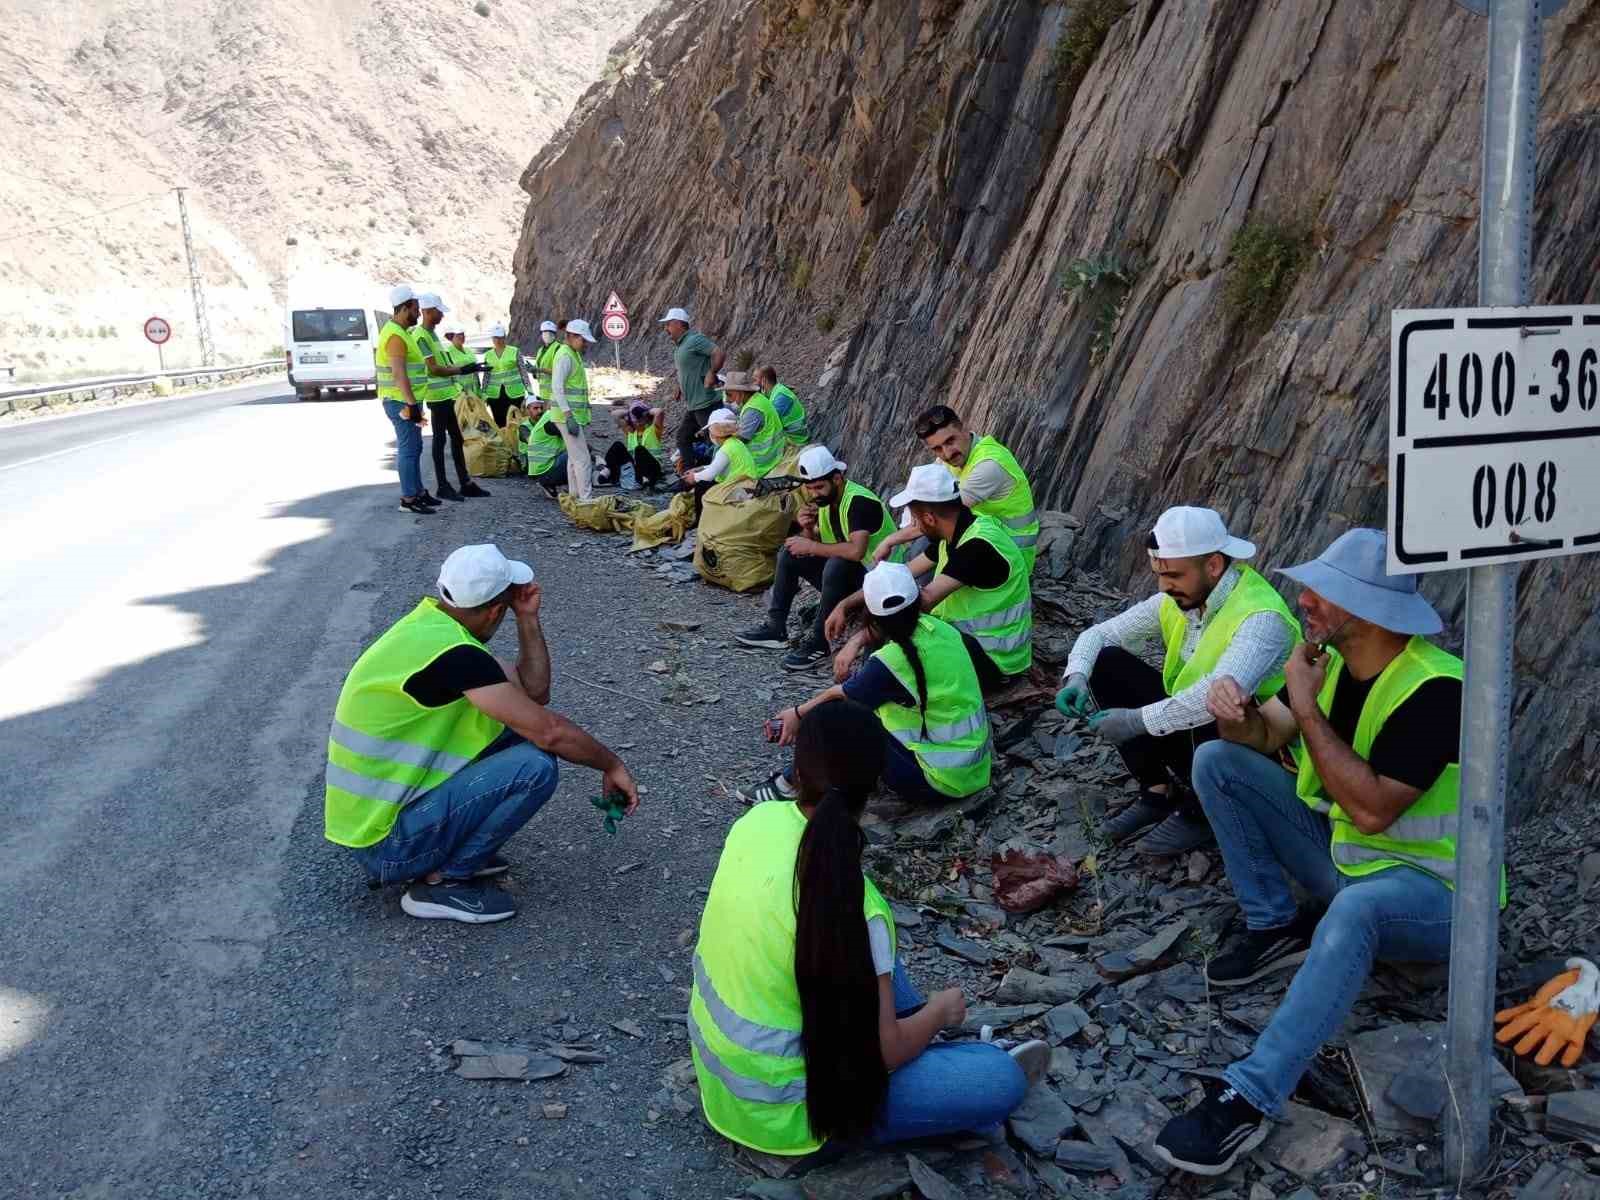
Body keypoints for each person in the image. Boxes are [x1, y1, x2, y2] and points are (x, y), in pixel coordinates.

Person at [1153, 528, 1476, 1176]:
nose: (1303, 600)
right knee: (1217, 760)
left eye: (1320, 593)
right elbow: (1260, 733)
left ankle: (1249, 1095)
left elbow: (1371, 807)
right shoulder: (1328, 665)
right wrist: (1232, 712)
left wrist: (1303, 706)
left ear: (1362, 610)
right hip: (1351, 864)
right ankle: (1273, 925)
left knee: (1357, 914)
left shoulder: (1437, 689)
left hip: (1436, 899)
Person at [693, 696, 1044, 1157]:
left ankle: (925, 1042)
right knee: (998, 1080)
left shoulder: (755, 820)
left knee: (877, 960)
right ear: (874, 786)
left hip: (721, 1078)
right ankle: (945, 1045)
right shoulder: (859, 904)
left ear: (797, 771)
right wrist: (938, 1011)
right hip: (795, 1114)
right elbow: (885, 1052)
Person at [324, 544, 639, 923]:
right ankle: (445, 882)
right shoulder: (455, 656)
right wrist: (611, 763)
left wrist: (527, 618)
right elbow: (551, 732)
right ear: (493, 612)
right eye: (506, 611)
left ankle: (444, 850)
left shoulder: (433, 628)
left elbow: (534, 693)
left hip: (376, 824)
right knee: (535, 765)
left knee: (520, 735)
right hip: (387, 846)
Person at [1056, 506, 1300, 856]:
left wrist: (1134, 721)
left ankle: (1202, 812)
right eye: (1159, 574)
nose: (1163, 586)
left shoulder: (1261, 618)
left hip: (1264, 755)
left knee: (1218, 700)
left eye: (1173, 575)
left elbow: (1212, 697)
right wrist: (1077, 676)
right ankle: (1158, 792)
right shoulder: (1179, 598)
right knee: (1106, 662)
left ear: (1214, 566)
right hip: (1203, 734)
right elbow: (1100, 635)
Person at [752, 561, 993, 806]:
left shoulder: (890, 661)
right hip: (973, 770)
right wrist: (855, 643)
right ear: (918, 597)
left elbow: (839, 695)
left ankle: (789, 783)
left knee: (841, 720)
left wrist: (797, 714)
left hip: (937, 782)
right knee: (865, 706)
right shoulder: (942, 629)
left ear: (870, 613)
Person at [828, 465, 1030, 695]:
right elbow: (900, 576)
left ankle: (863, 692)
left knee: (897, 626)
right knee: (891, 620)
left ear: (929, 518)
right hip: (970, 643)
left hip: (994, 663)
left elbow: (916, 605)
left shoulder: (977, 548)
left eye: (915, 519)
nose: (914, 526)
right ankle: (865, 684)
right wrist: (845, 604)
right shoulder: (957, 532)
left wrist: (857, 640)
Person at [737, 445, 896, 671]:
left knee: (837, 564)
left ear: (837, 478)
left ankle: (820, 643)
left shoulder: (859, 502)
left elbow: (855, 552)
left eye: (819, 487)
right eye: (810, 488)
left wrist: (811, 544)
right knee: (791, 552)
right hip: (853, 579)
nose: (814, 494)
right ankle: (775, 627)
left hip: (880, 583)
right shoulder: (826, 501)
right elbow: (825, 544)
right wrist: (808, 529)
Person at [873, 406, 1040, 574]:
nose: (946, 453)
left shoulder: (989, 465)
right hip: (984, 539)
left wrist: (890, 541)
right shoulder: (947, 460)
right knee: (928, 542)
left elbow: (940, 516)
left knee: (930, 540)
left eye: (950, 441)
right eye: (937, 448)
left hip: (1011, 555)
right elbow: (921, 495)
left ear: (963, 428)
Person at [414, 297, 488, 501]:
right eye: (439, 311)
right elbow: (434, 368)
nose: (442, 315)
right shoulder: (421, 336)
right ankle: (443, 485)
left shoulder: (431, 335)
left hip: (447, 395)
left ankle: (465, 483)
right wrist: (464, 369)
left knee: (456, 438)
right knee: (440, 441)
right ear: (428, 311)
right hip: (437, 397)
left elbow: (442, 364)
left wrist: (468, 370)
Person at [376, 284, 436, 516]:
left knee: (415, 446)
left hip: (407, 400)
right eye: (416, 308)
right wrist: (412, 405)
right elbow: (399, 374)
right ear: (405, 308)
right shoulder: (394, 336)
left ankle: (418, 492)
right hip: (400, 401)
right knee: (408, 449)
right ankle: (409, 498)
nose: (419, 313)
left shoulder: (401, 333)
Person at [659, 306, 725, 470]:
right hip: (695, 405)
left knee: (715, 441)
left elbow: (718, 353)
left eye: (668, 324)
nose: (666, 328)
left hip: (706, 403)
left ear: (679, 324)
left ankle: (716, 475)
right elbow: (688, 369)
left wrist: (712, 372)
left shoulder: (694, 340)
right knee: (683, 437)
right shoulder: (680, 346)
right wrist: (680, 386)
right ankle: (689, 475)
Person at [551, 318, 597, 500]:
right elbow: (557, 387)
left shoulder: (572, 354)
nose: (585, 344)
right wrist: (568, 415)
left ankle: (575, 496)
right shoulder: (565, 356)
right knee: (583, 460)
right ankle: (586, 501)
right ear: (571, 336)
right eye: (583, 340)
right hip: (567, 417)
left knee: (573, 459)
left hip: (570, 415)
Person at [726, 370, 784, 478]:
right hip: (774, 453)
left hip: (764, 462)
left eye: (729, 395)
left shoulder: (752, 409)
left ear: (741, 393)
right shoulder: (756, 399)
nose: (728, 400)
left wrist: (721, 433)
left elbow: (740, 440)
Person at [601, 401, 667, 490]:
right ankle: (608, 471)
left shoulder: (654, 430)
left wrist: (646, 411)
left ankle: (645, 480)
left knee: (639, 450)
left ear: (647, 418)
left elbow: (659, 412)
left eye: (641, 420)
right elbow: (615, 414)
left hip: (653, 468)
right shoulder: (631, 432)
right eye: (636, 421)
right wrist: (631, 411)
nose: (639, 423)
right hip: (635, 468)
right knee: (617, 445)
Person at [518, 398, 569, 499]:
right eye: (535, 408)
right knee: (575, 456)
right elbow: (529, 440)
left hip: (546, 461)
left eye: (541, 408)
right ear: (527, 410)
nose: (539, 411)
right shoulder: (524, 427)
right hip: (530, 464)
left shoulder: (544, 420)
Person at [482, 322, 528, 427]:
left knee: (516, 422)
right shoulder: (488, 355)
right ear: (492, 338)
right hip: (494, 395)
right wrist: (483, 393)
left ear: (505, 337)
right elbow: (486, 376)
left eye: (500, 337)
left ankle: (516, 443)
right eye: (495, 338)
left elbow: (523, 372)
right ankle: (504, 442)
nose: (498, 340)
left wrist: (530, 392)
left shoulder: (514, 351)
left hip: (515, 394)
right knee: (499, 423)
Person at [758, 365, 809, 448]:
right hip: (796, 436)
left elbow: (767, 424)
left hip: (798, 441)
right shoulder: (777, 390)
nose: (754, 383)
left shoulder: (779, 397)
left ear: (763, 381)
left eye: (755, 379)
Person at [533, 320, 562, 407]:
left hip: (555, 394)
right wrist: (533, 371)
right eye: (545, 332)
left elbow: (559, 372)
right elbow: (538, 371)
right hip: (543, 394)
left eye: (550, 333)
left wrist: (539, 370)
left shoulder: (558, 348)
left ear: (555, 334)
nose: (547, 335)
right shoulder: (540, 350)